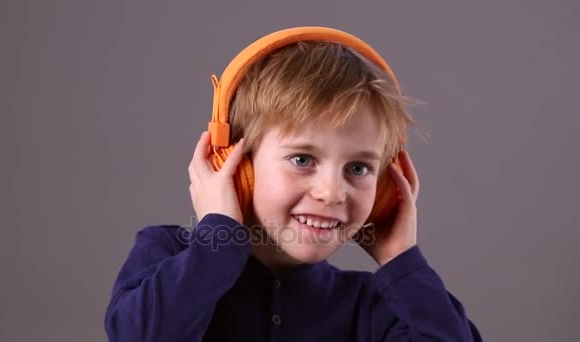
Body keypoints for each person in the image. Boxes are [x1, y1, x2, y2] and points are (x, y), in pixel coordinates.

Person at [104, 27, 483, 341]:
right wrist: (217, 238)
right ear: (235, 165)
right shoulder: (166, 254)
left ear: (386, 188)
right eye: (302, 159)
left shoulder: (371, 305)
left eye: (358, 168)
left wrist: (401, 261)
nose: (332, 192)